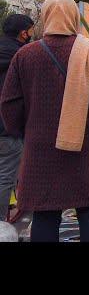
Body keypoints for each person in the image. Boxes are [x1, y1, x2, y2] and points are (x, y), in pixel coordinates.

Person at [0, 0, 89, 241]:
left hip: (40, 150)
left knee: (45, 215)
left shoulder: (25, 55)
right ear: (74, 19)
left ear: (45, 18)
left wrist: (28, 132)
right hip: (86, 149)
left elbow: (9, 105)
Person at [0, 13, 34, 222]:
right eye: (30, 30)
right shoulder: (23, 56)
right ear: (23, 33)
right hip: (8, 127)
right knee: (6, 175)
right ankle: (2, 221)